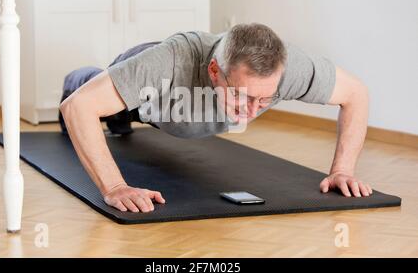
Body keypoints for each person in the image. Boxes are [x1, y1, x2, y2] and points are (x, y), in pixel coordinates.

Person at [59, 23, 372, 213]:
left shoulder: (291, 67)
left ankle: (118, 122)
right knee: (101, 98)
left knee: (118, 121)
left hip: (175, 108)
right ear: (213, 72)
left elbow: (355, 93)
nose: (251, 111)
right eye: (243, 95)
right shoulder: (166, 62)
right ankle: (84, 81)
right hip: (147, 97)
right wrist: (114, 187)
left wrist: (342, 170)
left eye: (265, 99)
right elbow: (78, 107)